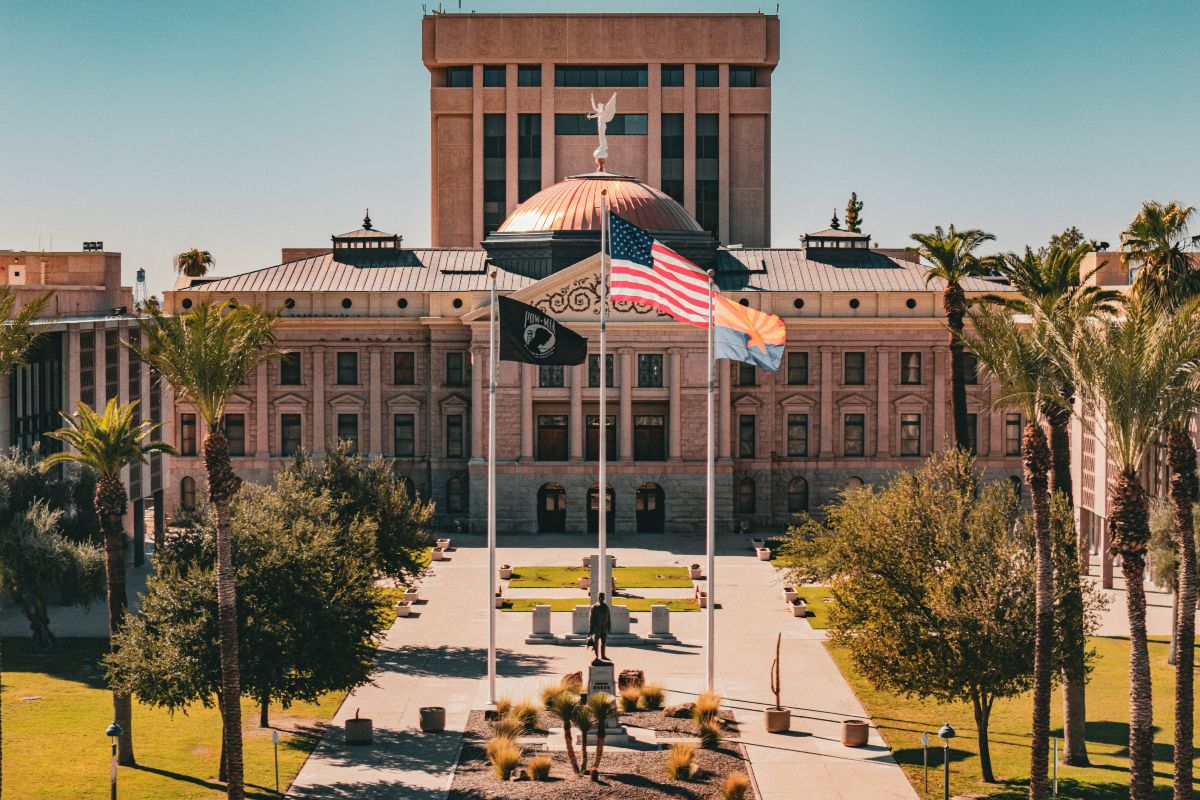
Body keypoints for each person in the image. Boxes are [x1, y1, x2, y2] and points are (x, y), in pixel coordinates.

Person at [587, 592, 612, 663]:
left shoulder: (606, 607)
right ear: (598, 598)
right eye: (600, 597)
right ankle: (596, 656)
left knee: (603, 642)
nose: (601, 599)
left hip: (604, 627)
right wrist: (590, 629)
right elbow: (591, 619)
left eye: (602, 598)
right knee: (596, 643)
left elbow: (608, 618)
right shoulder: (594, 607)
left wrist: (609, 626)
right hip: (596, 628)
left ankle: (603, 655)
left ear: (604, 598)